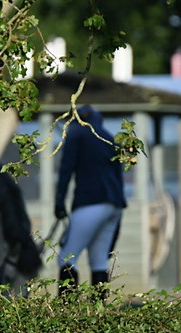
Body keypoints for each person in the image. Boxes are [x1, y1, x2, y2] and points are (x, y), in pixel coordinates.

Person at [54, 105, 126, 296]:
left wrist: (59, 201)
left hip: (90, 202)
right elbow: (119, 179)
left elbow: (66, 169)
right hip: (115, 205)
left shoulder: (77, 133)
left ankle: (65, 313)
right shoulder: (109, 138)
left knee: (65, 259)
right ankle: (99, 315)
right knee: (99, 261)